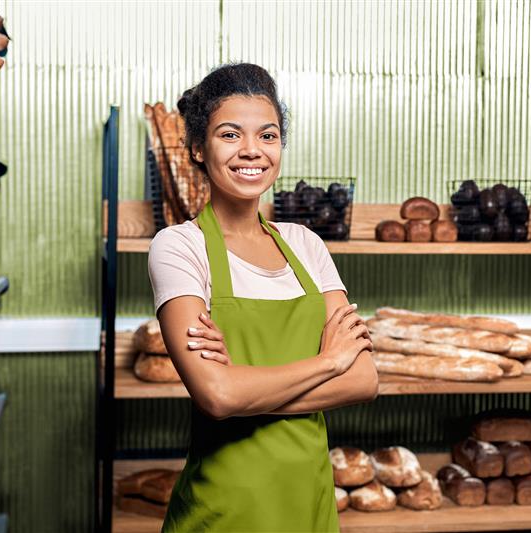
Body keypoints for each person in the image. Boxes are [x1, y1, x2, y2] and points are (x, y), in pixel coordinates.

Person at [147, 63, 378, 532]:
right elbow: (215, 394)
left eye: (268, 136)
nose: (251, 150)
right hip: (223, 512)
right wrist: (328, 362)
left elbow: (365, 380)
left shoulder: (305, 244)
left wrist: (244, 390)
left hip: (309, 505)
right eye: (230, 135)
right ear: (197, 148)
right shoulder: (179, 246)